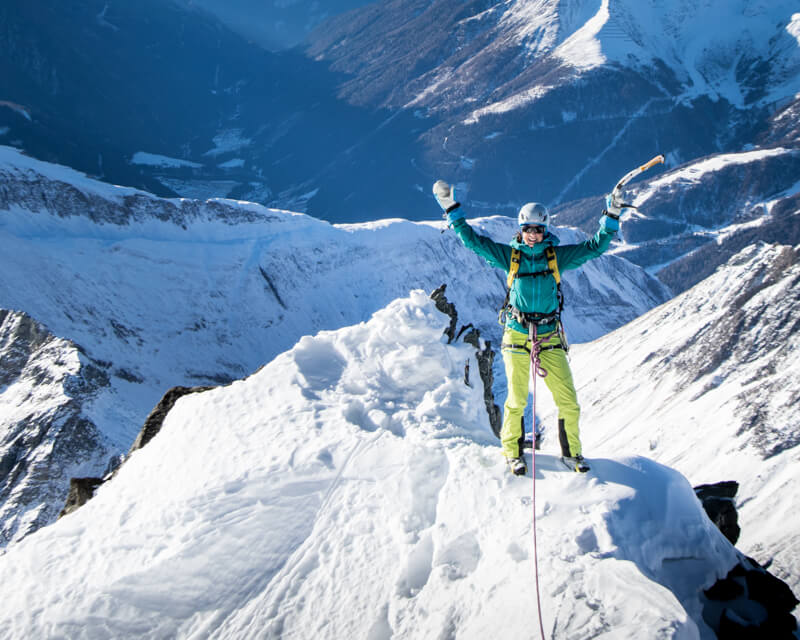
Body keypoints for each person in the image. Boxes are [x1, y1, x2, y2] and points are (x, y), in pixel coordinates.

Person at [433, 180, 624, 475]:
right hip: (518, 335)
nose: (533, 235)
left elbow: (595, 247)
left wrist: (611, 215)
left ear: (545, 230)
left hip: (548, 337)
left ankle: (572, 454)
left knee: (568, 401)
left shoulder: (556, 257)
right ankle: (512, 453)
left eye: (538, 229)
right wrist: (452, 210)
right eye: (528, 229)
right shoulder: (511, 257)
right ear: (520, 230)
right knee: (517, 400)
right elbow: (473, 241)